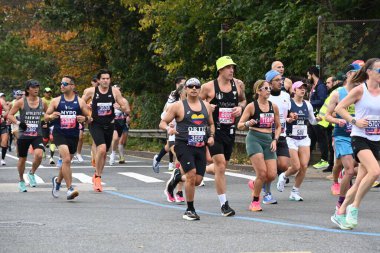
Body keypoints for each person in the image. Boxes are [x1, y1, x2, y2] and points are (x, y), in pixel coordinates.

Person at [331, 58, 380, 230]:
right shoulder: (360, 90)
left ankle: (339, 212)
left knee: (360, 181)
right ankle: (354, 208)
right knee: (375, 172)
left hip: (377, 140)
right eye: (379, 70)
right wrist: (355, 121)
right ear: (369, 72)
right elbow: (339, 109)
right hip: (360, 138)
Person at [161, 78, 215, 220]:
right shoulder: (178, 106)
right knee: (191, 175)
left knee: (197, 180)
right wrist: (168, 129)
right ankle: (189, 210)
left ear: (200, 89)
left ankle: (177, 177)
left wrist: (211, 136)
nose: (194, 89)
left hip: (200, 146)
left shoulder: (206, 106)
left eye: (197, 86)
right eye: (190, 86)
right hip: (183, 145)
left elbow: (211, 124)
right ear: (185, 88)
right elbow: (162, 122)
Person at [200, 56, 246, 216]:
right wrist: (207, 106)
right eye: (228, 67)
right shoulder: (208, 87)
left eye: (233, 67)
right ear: (220, 70)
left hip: (230, 131)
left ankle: (201, 169)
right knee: (220, 166)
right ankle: (224, 205)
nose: (231, 70)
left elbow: (243, 100)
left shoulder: (238, 85)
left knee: (222, 166)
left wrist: (240, 108)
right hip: (214, 130)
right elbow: (194, 104)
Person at [81, 69, 129, 192]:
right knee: (101, 148)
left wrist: (121, 107)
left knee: (104, 153)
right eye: (103, 78)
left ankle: (98, 174)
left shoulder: (115, 92)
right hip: (95, 124)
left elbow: (127, 109)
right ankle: (97, 177)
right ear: (98, 80)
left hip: (110, 125)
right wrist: (86, 111)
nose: (105, 80)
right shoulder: (91, 91)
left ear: (110, 80)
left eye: (108, 78)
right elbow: (80, 103)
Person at [238, 79, 281, 211]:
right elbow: (239, 124)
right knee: (262, 173)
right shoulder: (252, 106)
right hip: (254, 138)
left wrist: (275, 139)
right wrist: (247, 124)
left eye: (269, 88)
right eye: (266, 88)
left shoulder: (273, 106)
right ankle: (255, 202)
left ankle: (255, 183)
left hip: (268, 139)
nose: (269, 90)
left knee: (272, 175)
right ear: (258, 91)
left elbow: (278, 126)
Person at [45, 76, 91, 200]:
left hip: (73, 134)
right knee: (65, 159)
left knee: (67, 162)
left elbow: (90, 118)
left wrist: (85, 119)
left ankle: (57, 181)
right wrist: (51, 116)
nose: (62, 85)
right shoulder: (56, 101)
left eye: (65, 83)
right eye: (61, 83)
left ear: (72, 86)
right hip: (60, 133)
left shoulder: (80, 102)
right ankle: (70, 188)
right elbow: (45, 116)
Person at [325, 63, 360, 213]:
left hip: (359, 136)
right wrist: (337, 120)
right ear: (348, 74)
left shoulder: (362, 93)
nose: (358, 76)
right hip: (342, 136)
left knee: (362, 169)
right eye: (355, 73)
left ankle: (350, 191)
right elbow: (326, 115)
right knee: (349, 170)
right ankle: (341, 202)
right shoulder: (337, 93)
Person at [276, 81, 319, 201]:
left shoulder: (308, 104)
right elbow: (282, 118)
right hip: (290, 138)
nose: (302, 90)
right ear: (294, 90)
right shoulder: (289, 103)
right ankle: (283, 176)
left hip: (303, 138)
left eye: (304, 88)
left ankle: (295, 191)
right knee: (295, 166)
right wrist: (289, 119)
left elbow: (312, 121)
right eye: (300, 88)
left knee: (304, 166)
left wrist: (318, 119)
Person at [7, 80, 48, 192]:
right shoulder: (21, 102)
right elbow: (9, 115)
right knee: (22, 159)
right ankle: (21, 181)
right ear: (28, 89)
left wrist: (48, 119)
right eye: (34, 87)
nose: (36, 89)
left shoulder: (42, 102)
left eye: (37, 87)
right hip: (23, 134)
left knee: (39, 155)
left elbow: (47, 114)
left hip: (37, 134)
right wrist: (20, 123)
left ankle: (31, 173)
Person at [261, 70, 292, 205]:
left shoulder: (286, 95)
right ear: (269, 82)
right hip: (268, 135)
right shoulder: (266, 98)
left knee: (284, 165)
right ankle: (266, 192)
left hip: (282, 134)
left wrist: (291, 117)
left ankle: (261, 180)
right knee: (271, 170)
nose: (281, 82)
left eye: (281, 80)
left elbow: (287, 114)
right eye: (277, 80)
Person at [153, 76, 186, 172]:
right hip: (173, 125)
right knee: (178, 151)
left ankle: (159, 159)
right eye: (183, 85)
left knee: (170, 147)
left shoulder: (192, 98)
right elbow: (166, 111)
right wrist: (169, 123)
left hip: (185, 129)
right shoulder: (173, 96)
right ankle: (176, 170)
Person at [307, 66, 329, 169]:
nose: (307, 77)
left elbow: (323, 100)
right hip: (312, 116)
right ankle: (306, 160)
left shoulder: (321, 86)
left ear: (312, 74)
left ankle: (324, 159)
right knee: (310, 138)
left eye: (308, 75)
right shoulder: (314, 86)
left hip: (319, 116)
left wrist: (310, 102)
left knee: (321, 138)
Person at [109, 85, 130, 165]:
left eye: (118, 90)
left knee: (121, 141)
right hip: (112, 122)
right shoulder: (108, 100)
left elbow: (128, 111)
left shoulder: (124, 101)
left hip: (122, 122)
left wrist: (120, 108)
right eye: (114, 90)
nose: (116, 92)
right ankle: (113, 154)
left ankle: (120, 155)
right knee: (115, 138)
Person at [41, 87, 56, 165]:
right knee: (45, 139)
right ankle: (43, 149)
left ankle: (51, 158)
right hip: (44, 121)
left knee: (52, 139)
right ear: (44, 93)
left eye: (50, 92)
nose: (48, 93)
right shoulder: (41, 100)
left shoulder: (54, 100)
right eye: (47, 92)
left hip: (53, 121)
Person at [0, 93, 10, 165]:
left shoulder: (1, 101)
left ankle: (2, 159)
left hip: (2, 124)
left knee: (4, 141)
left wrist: (2, 116)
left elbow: (7, 110)